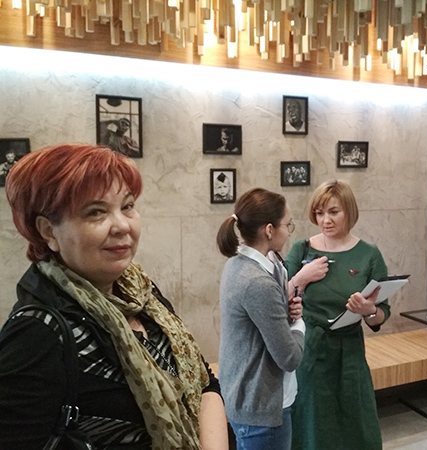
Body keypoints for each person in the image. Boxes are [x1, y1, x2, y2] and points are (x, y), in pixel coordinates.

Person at [0, 144, 228, 449]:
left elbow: (204, 383)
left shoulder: (142, 294)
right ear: (48, 231)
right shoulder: (36, 333)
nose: (122, 225)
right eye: (96, 212)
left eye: (128, 206)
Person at [285, 179, 389, 450]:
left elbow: (381, 315)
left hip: (350, 350)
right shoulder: (302, 249)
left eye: (333, 212)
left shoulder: (368, 254)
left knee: (354, 422)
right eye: (319, 213)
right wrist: (301, 278)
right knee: (311, 421)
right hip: (310, 348)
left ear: (349, 211)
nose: (325, 220)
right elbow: (276, 296)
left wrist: (369, 311)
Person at [217, 187, 305, 450]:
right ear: (269, 230)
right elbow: (289, 357)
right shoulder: (257, 282)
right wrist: (299, 324)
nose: (289, 232)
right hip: (261, 407)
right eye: (287, 225)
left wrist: (284, 311)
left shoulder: (237, 263)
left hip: (244, 396)